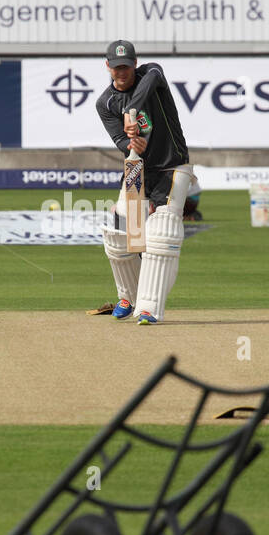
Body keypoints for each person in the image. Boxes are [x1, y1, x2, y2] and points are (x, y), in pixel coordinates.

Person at [94, 40, 195, 324]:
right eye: (116, 67)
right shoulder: (105, 102)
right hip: (138, 167)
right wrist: (131, 141)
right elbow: (120, 140)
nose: (121, 72)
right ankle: (129, 296)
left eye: (126, 66)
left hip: (172, 165)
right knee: (121, 234)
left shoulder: (152, 74)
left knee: (161, 236)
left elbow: (152, 78)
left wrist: (132, 112)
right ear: (108, 67)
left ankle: (148, 307)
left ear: (135, 64)